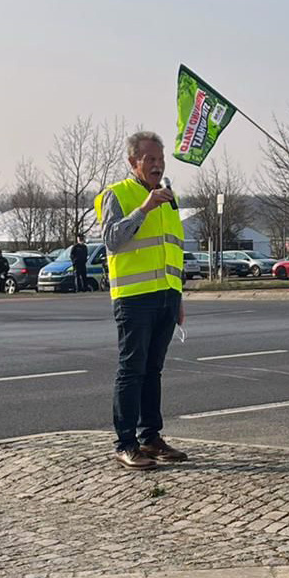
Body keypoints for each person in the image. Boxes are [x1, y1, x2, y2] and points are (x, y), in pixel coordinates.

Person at [96, 131, 188, 470]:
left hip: (165, 296)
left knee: (153, 370)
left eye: (161, 160)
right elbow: (112, 240)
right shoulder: (118, 195)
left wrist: (177, 295)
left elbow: (173, 248)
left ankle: (151, 438)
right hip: (134, 299)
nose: (157, 165)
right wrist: (143, 208)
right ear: (133, 162)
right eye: (150, 159)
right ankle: (125, 443)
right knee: (131, 370)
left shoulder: (169, 197)